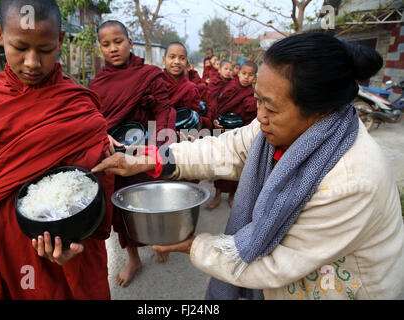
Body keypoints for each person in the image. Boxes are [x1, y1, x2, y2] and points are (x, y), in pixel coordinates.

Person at [92, 33, 404, 300]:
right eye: (258, 101)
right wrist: (149, 159)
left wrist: (194, 246)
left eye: (271, 107)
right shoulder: (277, 128)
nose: (260, 116)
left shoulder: (351, 181)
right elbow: (225, 147)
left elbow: (275, 264)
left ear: (321, 111)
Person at [0, 0, 115, 299]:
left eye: (45, 50)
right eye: (20, 47)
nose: (32, 62)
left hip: (58, 250)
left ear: (61, 42)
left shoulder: (78, 106)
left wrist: (77, 238)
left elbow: (95, 183)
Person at [88, 20, 176, 288]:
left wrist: (158, 149)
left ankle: (161, 240)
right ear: (100, 48)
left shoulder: (149, 74)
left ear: (129, 41)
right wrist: (101, 135)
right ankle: (134, 258)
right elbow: (94, 119)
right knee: (123, 211)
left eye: (118, 42)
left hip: (145, 152)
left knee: (153, 202)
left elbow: (164, 109)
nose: (113, 48)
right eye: (106, 44)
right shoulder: (98, 83)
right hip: (117, 154)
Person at [209, 61, 258, 209]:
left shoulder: (252, 93)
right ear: (238, 73)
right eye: (244, 73)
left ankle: (232, 195)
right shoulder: (229, 86)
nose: (246, 78)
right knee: (219, 162)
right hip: (222, 129)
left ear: (254, 77)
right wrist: (215, 120)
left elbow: (252, 117)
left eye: (250, 75)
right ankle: (217, 194)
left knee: (236, 164)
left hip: (239, 133)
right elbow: (217, 104)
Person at [162, 42, 213, 132]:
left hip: (185, 136)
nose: (177, 61)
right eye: (172, 57)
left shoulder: (191, 88)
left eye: (182, 58)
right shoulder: (155, 83)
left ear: (186, 62)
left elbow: (193, 117)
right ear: (164, 59)